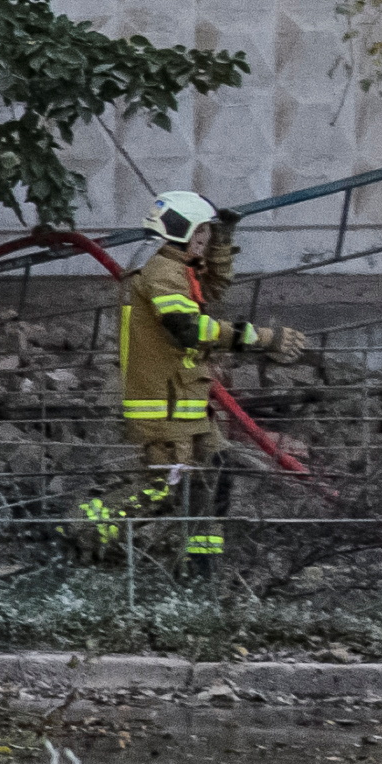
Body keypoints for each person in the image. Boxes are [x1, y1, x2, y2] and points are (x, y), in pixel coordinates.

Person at [85, 190, 295, 576]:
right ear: (184, 233)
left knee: (215, 475)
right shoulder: (161, 272)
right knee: (164, 485)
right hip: (163, 405)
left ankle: (199, 570)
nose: (205, 240)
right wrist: (262, 338)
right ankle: (86, 527)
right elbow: (189, 328)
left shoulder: (171, 265)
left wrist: (223, 243)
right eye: (203, 233)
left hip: (185, 400)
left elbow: (209, 290)